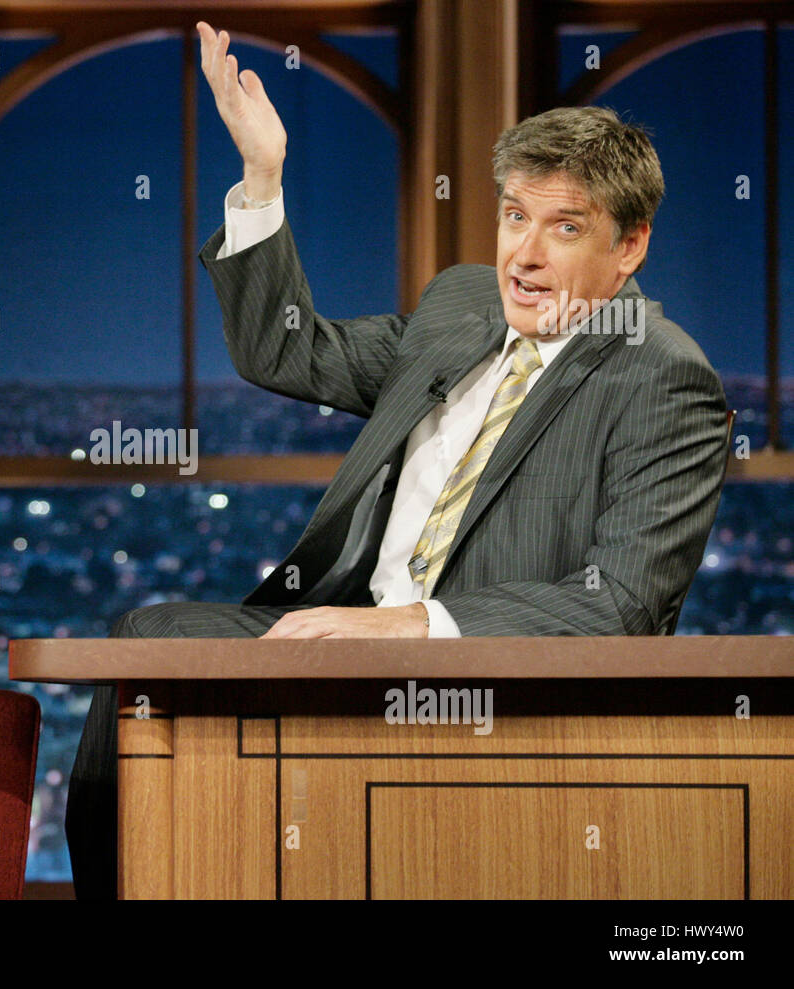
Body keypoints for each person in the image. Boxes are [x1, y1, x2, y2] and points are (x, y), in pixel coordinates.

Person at [64, 21, 730, 899]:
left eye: (563, 228)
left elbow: (624, 605)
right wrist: (262, 177)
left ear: (629, 247)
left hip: (486, 682)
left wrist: (411, 624)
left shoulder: (663, 375)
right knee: (147, 644)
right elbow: (287, 353)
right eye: (513, 217)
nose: (523, 258)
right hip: (345, 639)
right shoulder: (462, 306)